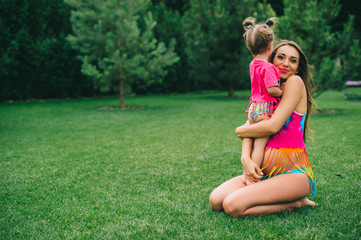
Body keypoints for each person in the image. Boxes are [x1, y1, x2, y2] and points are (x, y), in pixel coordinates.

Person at [209, 40, 317, 217]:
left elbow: (271, 126)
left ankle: (295, 202)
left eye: (293, 60)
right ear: (271, 59)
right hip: (266, 175)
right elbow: (251, 125)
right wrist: (245, 158)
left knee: (232, 206)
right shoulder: (267, 91)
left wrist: (239, 131)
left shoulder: (295, 83)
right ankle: (276, 195)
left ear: (297, 68)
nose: (285, 63)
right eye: (281, 57)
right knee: (216, 200)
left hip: (294, 175)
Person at [241, 17, 283, 185]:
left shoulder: (253, 64)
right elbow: (272, 89)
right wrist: (281, 92)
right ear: (270, 46)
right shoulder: (268, 67)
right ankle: (251, 176)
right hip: (264, 109)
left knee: (249, 141)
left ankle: (246, 172)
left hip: (253, 108)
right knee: (259, 145)